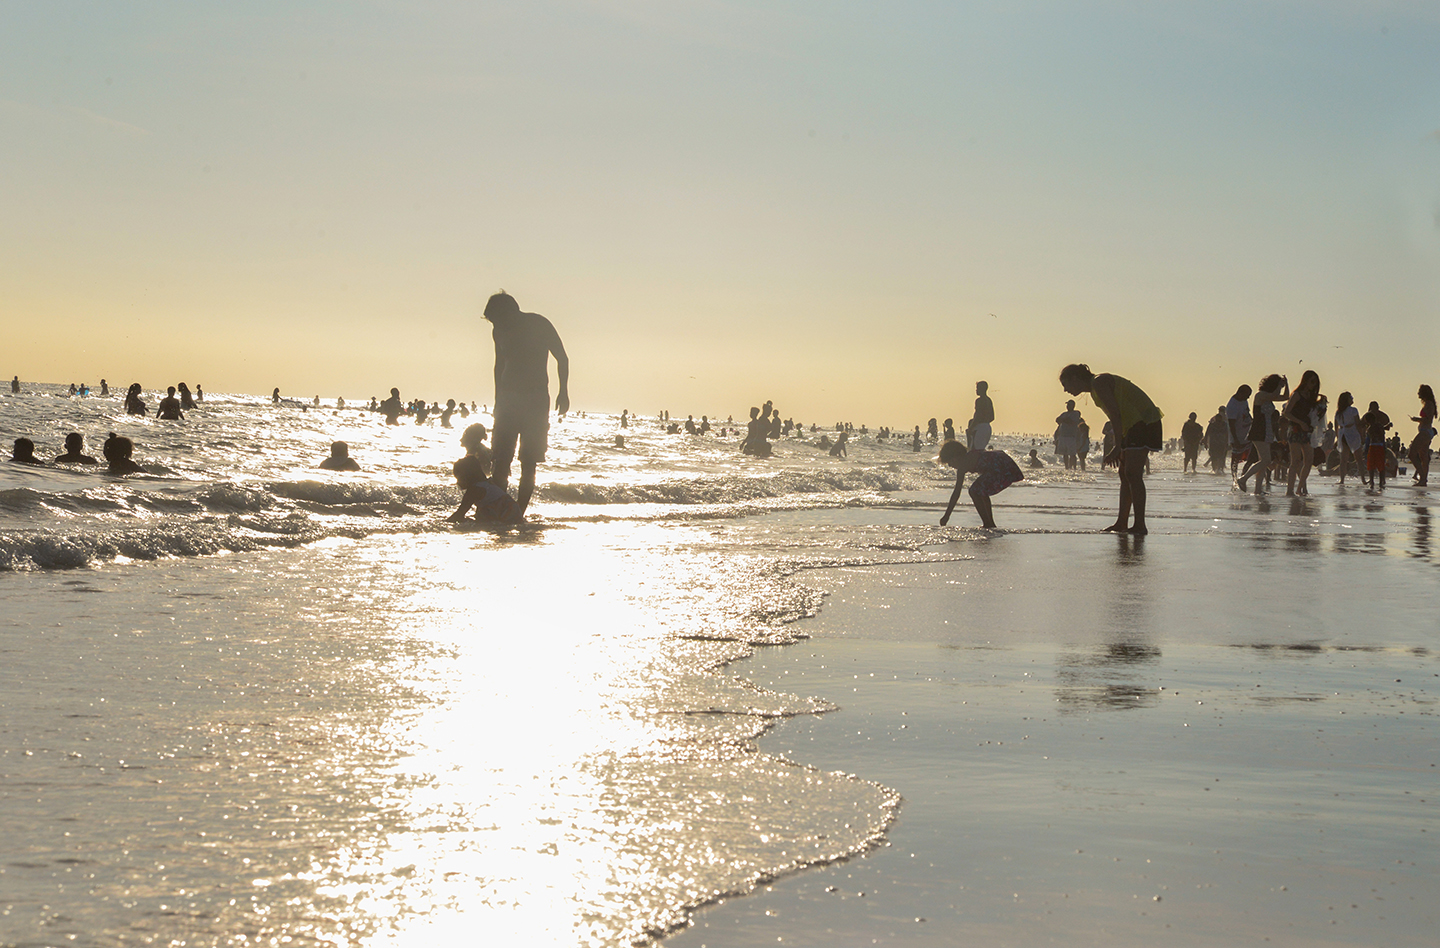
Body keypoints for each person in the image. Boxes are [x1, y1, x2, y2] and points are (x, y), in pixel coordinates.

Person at [483, 291, 570, 520]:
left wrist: (564, 391)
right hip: (508, 401)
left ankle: (518, 512)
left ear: (510, 311)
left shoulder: (539, 324)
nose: (496, 324)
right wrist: (497, 399)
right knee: (501, 458)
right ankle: (500, 509)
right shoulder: (498, 331)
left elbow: (562, 357)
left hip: (535, 400)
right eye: (493, 322)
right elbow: (498, 365)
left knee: (529, 461)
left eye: (497, 319)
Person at [1059, 364, 1162, 535]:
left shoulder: (1099, 382)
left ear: (1075, 378)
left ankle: (1139, 525)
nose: (1065, 390)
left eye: (1065, 384)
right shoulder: (1094, 388)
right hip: (1132, 425)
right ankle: (1122, 522)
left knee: (1133, 474)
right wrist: (1120, 441)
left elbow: (1115, 414)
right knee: (1124, 474)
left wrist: (1117, 445)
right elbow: (1117, 415)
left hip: (1144, 422)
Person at [938, 440, 1023, 529]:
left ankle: (988, 523)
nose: (950, 466)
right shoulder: (970, 456)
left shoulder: (964, 464)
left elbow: (956, 492)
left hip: (1002, 467)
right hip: (1004, 464)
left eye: (949, 463)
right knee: (980, 490)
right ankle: (989, 523)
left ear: (955, 458)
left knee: (974, 491)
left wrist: (946, 516)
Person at [447, 423, 516, 522]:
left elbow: (459, 513)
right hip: (509, 508)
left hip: (506, 514)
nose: (458, 483)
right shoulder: (481, 451)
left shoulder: (476, 453)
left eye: (459, 478)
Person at [1237, 375, 1288, 495]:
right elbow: (1275, 395)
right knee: (1266, 460)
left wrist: (1286, 384)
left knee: (1263, 462)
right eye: (1278, 386)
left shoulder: (1269, 398)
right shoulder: (1261, 395)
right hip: (1259, 431)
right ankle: (1243, 479)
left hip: (1267, 431)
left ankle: (1258, 490)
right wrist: (1279, 386)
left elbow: (1286, 397)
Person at [1280, 370, 1321, 496]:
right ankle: (1289, 490)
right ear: (1306, 381)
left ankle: (1300, 487)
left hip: (1307, 430)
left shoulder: (1311, 396)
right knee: (1295, 461)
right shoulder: (1297, 395)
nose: (1313, 385)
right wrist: (1300, 422)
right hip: (1295, 429)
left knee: (1309, 460)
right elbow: (1286, 413)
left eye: (1315, 383)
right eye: (1311, 382)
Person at [1360, 401, 1392, 490]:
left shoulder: (1370, 428)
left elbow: (1369, 439)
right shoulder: (1378, 426)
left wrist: (1366, 449)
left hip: (1374, 446)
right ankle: (1377, 482)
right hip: (1378, 446)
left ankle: (1375, 481)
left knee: (1374, 465)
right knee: (1377, 464)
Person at [1409, 384, 1436, 486]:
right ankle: (1423, 479)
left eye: (1420, 391)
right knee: (1423, 457)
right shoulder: (1428, 404)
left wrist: (1417, 419)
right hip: (1425, 431)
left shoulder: (1429, 404)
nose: (1418, 393)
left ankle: (1423, 478)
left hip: (1425, 432)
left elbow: (1427, 419)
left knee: (1412, 454)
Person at [1225, 384, 1253, 479]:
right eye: (1247, 395)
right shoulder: (1232, 406)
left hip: (1248, 434)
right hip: (1238, 436)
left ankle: (1243, 477)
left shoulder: (1244, 401)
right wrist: (1235, 439)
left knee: (1252, 457)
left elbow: (1247, 413)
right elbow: (1231, 424)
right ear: (1240, 393)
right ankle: (1234, 479)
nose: (1248, 397)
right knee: (1235, 459)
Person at [1055, 400, 1082, 470]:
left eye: (1069, 405)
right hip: (1063, 435)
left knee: (1072, 454)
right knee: (1065, 453)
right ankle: (1067, 467)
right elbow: (1057, 419)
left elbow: (1071, 421)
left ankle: (1073, 467)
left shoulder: (1076, 413)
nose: (1067, 406)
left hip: (1071, 436)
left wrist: (1064, 420)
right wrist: (1065, 420)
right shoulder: (1064, 414)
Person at [968, 382, 994, 450]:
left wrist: (971, 427)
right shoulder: (989, 400)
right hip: (987, 427)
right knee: (981, 449)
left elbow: (978, 415)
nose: (976, 390)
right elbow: (992, 417)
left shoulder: (979, 400)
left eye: (977, 388)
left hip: (980, 428)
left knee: (974, 450)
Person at [1205, 407, 1228, 474]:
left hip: (1221, 443)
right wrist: (1206, 442)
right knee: (1215, 457)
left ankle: (1219, 469)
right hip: (1214, 443)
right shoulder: (1213, 423)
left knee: (1221, 457)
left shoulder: (1224, 423)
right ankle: (1215, 469)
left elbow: (1227, 433)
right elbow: (1207, 433)